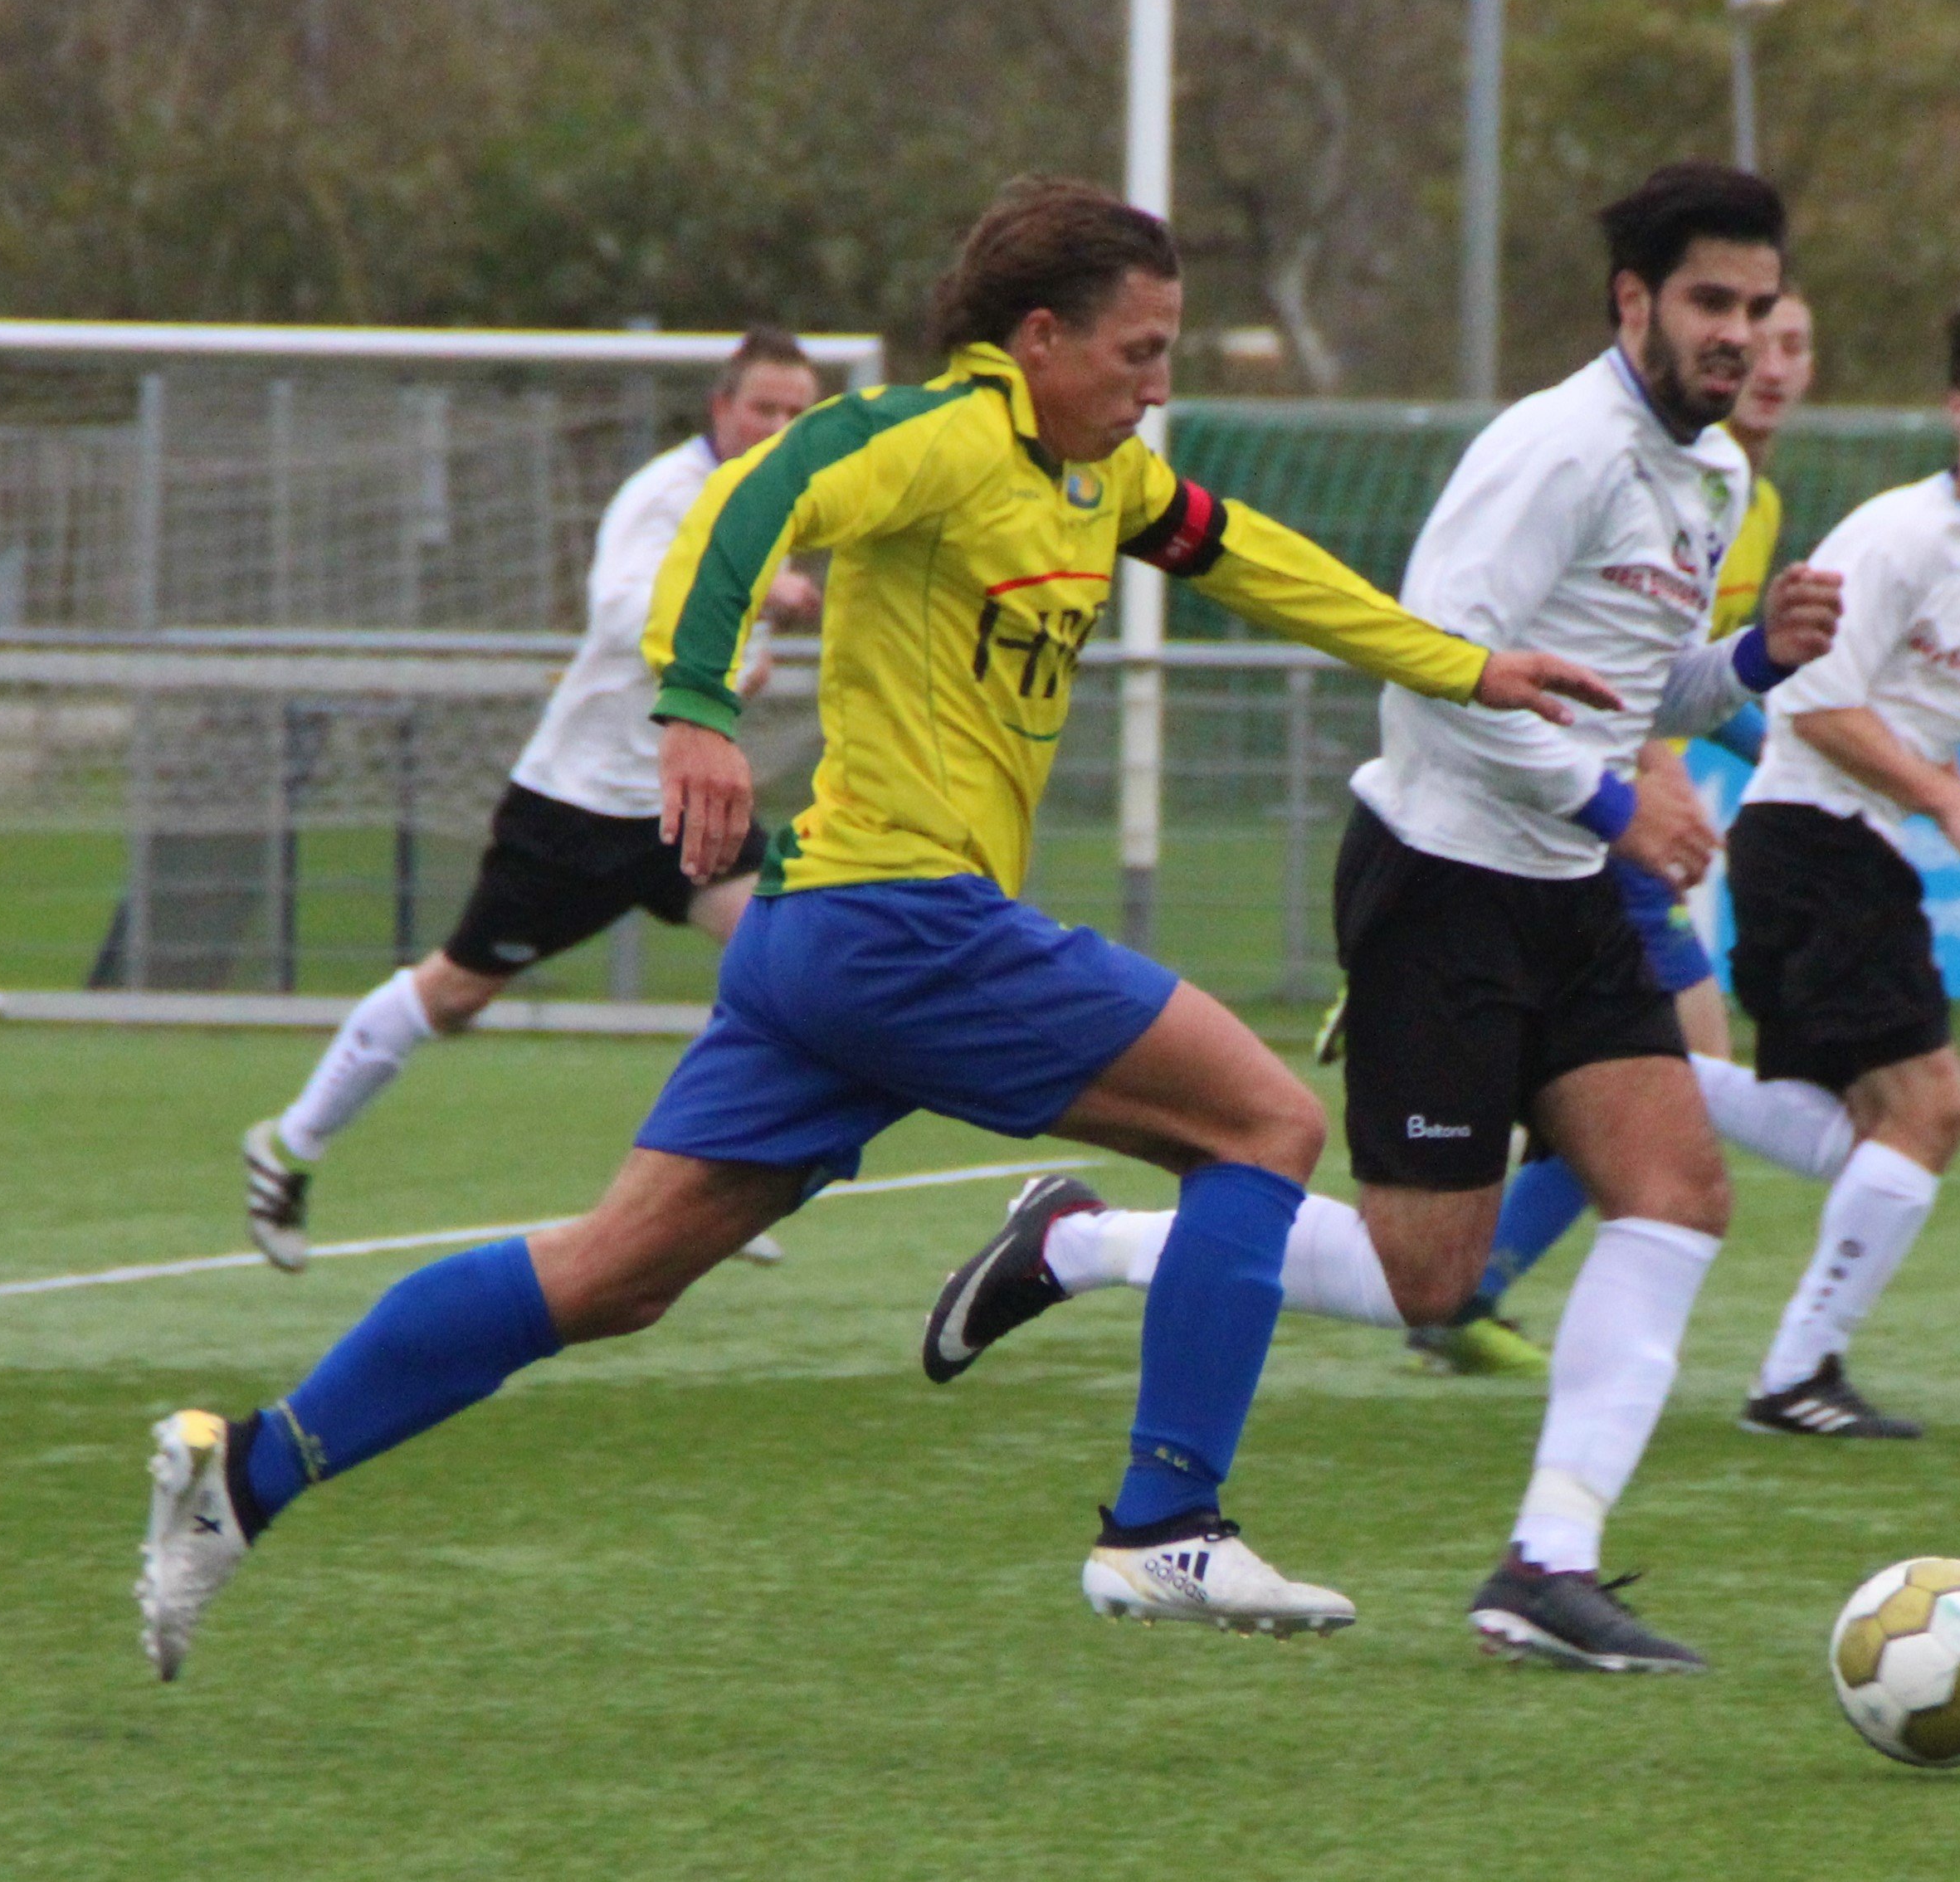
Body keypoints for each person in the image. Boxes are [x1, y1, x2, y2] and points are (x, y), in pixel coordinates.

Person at [136, 176, 1619, 1679]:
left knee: (611, 1276)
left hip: (822, 946)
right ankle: (1165, 1518)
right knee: (1263, 1128)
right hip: (904, 923)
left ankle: (243, 1473)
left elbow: (1251, 558)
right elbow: (749, 495)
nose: (1160, 385)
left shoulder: (1099, 478)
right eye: (1139, 351)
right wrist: (697, 705)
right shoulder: (936, 434)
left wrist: (1461, 668)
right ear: (1038, 336)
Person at [922, 164, 1845, 1672]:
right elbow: (1438, 663)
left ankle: (1548, 1564)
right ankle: (1087, 1242)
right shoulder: (1554, 448)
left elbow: (1634, 684)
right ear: (1636, 305)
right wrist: (1617, 807)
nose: (1740, 335)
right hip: (1445, 886)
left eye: (1759, 306)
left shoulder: (1719, 479)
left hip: (1570, 892)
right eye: (1711, 305)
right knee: (1433, 1279)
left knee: (1676, 1192)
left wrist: (1750, 659)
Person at [240, 330, 825, 1271]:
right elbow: (624, 613)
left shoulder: (771, 499)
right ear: (721, 408)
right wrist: (758, 596)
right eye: (765, 408)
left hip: (674, 800)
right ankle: (289, 1145)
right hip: (578, 807)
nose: (780, 428)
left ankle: (709, 1184)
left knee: (786, 954)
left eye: (799, 413)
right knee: (459, 989)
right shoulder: (667, 495)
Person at [1424, 288, 1823, 1377]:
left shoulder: (1744, 493)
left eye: (1791, 342)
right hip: (1591, 822)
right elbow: (1576, 665)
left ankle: (1469, 1296)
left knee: (1662, 1094)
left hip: (1621, 818)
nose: (1769, 360)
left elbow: (1672, 671)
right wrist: (1645, 777)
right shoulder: (1601, 459)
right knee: (1677, 1081)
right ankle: (1467, 1292)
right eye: (1748, 330)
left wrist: (1775, 726)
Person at [1723, 292, 1960, 1439]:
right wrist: (1952, 805)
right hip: (1807, 839)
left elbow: (1926, 731)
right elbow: (1815, 702)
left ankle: (1593, 1065)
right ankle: (1793, 1377)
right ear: (1956, 406)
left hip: (1844, 847)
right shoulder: (1899, 534)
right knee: (1929, 1108)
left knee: (1864, 1124)